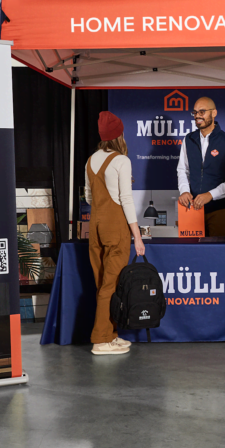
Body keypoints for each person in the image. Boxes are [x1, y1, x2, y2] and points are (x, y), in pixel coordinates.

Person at [85, 111, 146, 356]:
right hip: (115, 225)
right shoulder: (122, 160)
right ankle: (100, 340)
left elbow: (89, 197)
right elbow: (126, 200)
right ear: (119, 135)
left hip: (96, 223)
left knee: (101, 281)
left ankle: (110, 334)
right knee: (111, 284)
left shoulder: (90, 160)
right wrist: (137, 236)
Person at [176, 96, 225, 237]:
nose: (197, 116)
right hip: (193, 211)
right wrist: (184, 190)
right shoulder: (188, 139)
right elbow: (182, 170)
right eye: (195, 113)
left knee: (219, 256)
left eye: (202, 112)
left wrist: (211, 195)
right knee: (193, 256)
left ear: (214, 113)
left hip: (221, 210)